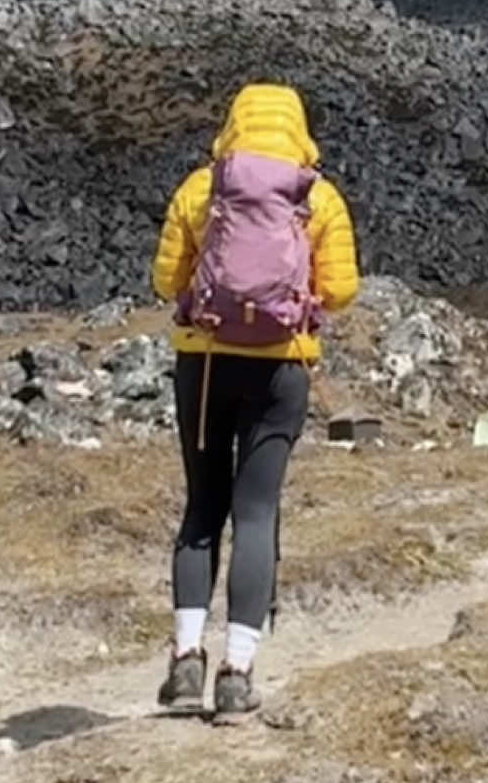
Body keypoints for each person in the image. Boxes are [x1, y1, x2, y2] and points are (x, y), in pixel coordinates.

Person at [150, 83, 358, 722]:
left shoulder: (202, 188)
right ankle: (238, 674)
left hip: (205, 364)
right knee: (257, 512)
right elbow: (343, 290)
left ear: (232, 123)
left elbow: (165, 280)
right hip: (281, 373)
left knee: (201, 510)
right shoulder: (315, 196)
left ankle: (186, 663)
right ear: (298, 127)